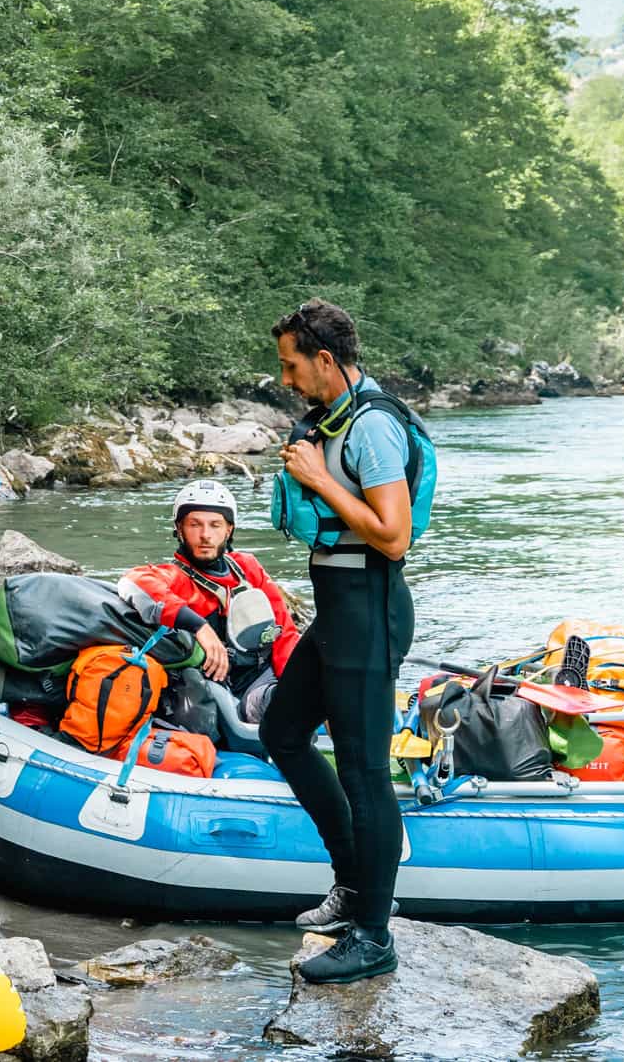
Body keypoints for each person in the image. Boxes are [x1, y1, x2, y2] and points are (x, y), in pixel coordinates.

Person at [260, 299, 415, 985]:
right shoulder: (339, 415)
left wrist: (320, 478)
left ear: (325, 359)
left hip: (369, 608)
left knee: (365, 774)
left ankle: (373, 935)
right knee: (283, 729)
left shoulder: (374, 428)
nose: (287, 378)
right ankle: (352, 880)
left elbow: (394, 533)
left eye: (293, 364)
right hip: (337, 608)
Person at [118, 479, 300, 748]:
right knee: (279, 702)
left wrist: (298, 681)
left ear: (229, 529)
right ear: (179, 529)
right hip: (222, 697)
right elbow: (132, 582)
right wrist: (198, 626)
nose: (205, 535)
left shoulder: (247, 568)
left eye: (215, 525)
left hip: (263, 677)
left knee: (319, 679)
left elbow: (283, 633)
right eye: (195, 524)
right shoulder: (174, 576)